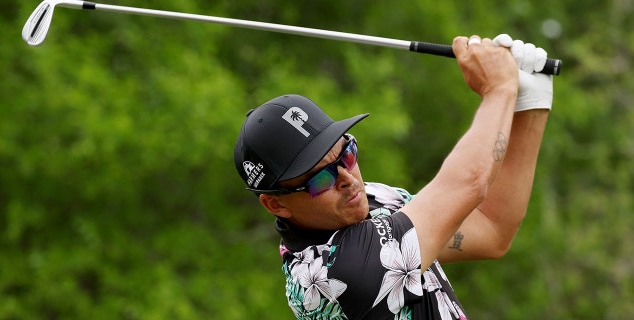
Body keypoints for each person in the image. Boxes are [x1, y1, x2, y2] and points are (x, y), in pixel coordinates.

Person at [233, 34, 553, 319]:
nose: (347, 178)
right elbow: (467, 184)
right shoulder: (330, 275)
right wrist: (499, 89)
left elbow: (492, 228)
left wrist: (530, 104)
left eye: (347, 154)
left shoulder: (372, 199)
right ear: (276, 205)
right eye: (319, 179)